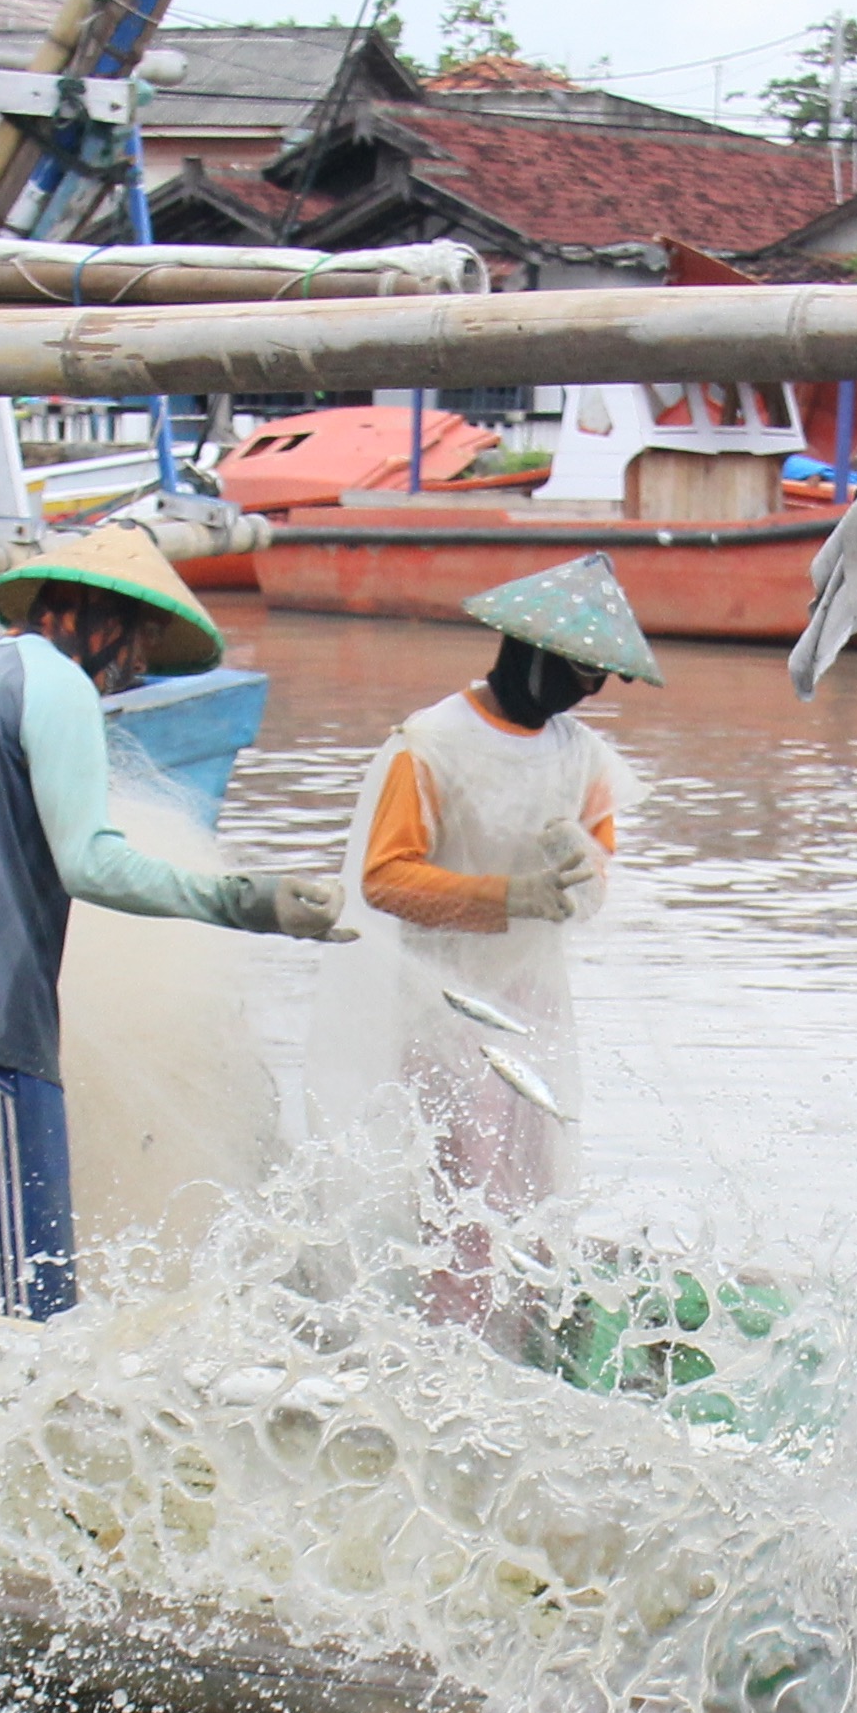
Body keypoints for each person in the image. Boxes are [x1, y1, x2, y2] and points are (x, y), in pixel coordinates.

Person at [0, 527, 342, 1318]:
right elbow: (91, 863)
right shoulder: (58, 686)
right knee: (20, 1303)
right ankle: (4, 1444)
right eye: (139, 647)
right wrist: (248, 899)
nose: (133, 672)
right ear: (101, 619)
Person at [342, 552, 656, 1332]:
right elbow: (384, 880)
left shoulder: (581, 757)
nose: (593, 690)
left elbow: (596, 880)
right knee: (462, 1193)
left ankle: (522, 1338)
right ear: (533, 649)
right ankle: (448, 1356)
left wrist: (578, 870)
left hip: (534, 1004)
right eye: (585, 670)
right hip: (443, 1005)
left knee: (535, 1182)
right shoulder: (429, 744)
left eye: (604, 677)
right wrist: (506, 896)